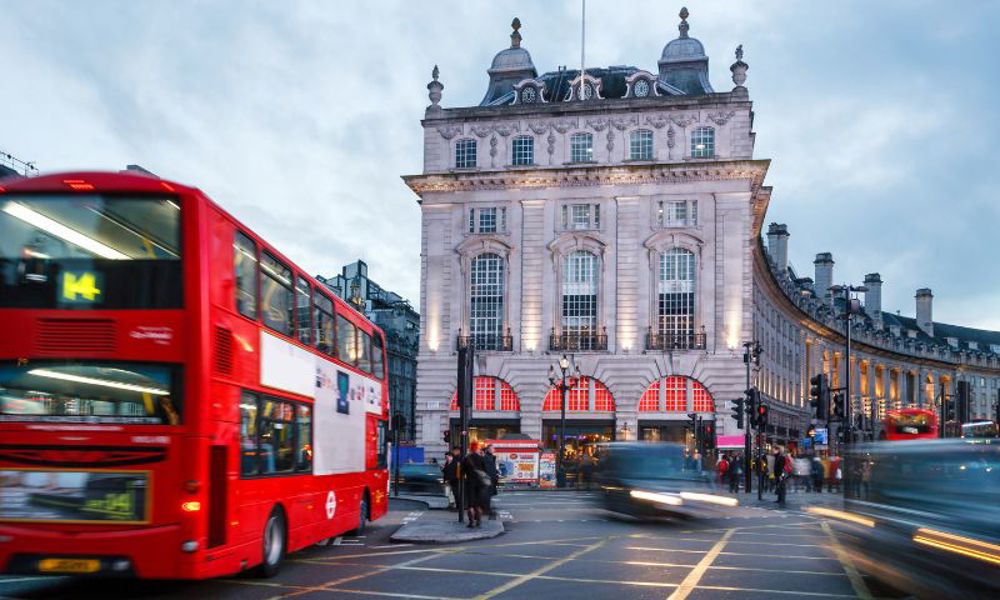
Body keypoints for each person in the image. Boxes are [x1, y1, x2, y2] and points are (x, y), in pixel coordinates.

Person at [462, 442, 489, 528]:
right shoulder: (481, 458)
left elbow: (462, 472)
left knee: (470, 504)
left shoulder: (466, 459)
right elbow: (485, 471)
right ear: (477, 449)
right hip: (480, 483)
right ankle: (479, 521)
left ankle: (471, 522)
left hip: (470, 483)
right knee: (478, 504)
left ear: (470, 449)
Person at [483, 444, 500, 518]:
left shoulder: (490, 457)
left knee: (488, 495)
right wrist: (494, 476)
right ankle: (486, 509)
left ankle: (486, 509)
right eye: (493, 449)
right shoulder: (487, 458)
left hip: (490, 479)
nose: (494, 450)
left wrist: (496, 473)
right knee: (487, 495)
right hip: (489, 480)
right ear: (488, 450)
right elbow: (489, 470)